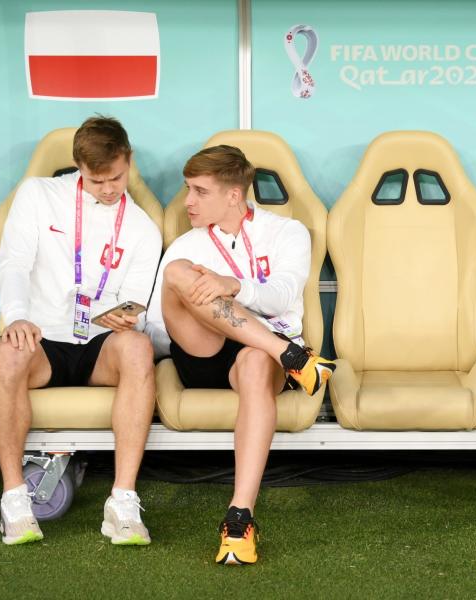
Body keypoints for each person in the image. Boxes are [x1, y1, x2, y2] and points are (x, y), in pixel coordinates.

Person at [145, 145, 336, 565]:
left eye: (199, 192)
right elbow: (161, 328)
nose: (188, 202)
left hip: (261, 353)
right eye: (187, 190)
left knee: (252, 361)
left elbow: (284, 294)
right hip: (206, 352)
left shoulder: (288, 232)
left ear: (234, 195)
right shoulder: (184, 246)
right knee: (179, 273)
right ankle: (296, 359)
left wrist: (233, 285)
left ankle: (240, 517)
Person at [0, 115, 162, 546]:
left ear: (129, 160)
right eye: (96, 179)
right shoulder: (37, 194)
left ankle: (122, 501)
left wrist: (124, 317)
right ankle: (14, 498)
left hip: (99, 342)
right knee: (9, 352)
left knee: (138, 347)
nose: (108, 188)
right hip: (42, 338)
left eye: (117, 177)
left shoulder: (142, 226)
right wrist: (16, 316)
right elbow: (14, 263)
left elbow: (135, 301)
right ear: (77, 167)